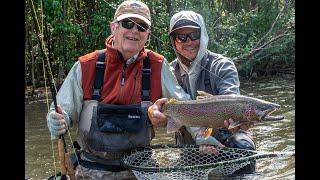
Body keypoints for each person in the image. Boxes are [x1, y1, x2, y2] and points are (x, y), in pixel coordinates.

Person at [46, 1, 191, 179]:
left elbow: (187, 108)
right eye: (127, 23)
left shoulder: (158, 65)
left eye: (142, 26)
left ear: (148, 34)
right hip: (91, 171)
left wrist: (205, 138)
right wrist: (57, 119)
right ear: (113, 27)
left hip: (142, 171)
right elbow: (62, 110)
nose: (134, 31)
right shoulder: (85, 65)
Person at [168, 10, 256, 174]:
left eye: (194, 34)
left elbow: (232, 100)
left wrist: (239, 120)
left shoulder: (222, 66)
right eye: (182, 37)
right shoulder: (168, 72)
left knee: (242, 145)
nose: (189, 41)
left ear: (203, 35)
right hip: (190, 146)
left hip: (225, 141)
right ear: (174, 41)